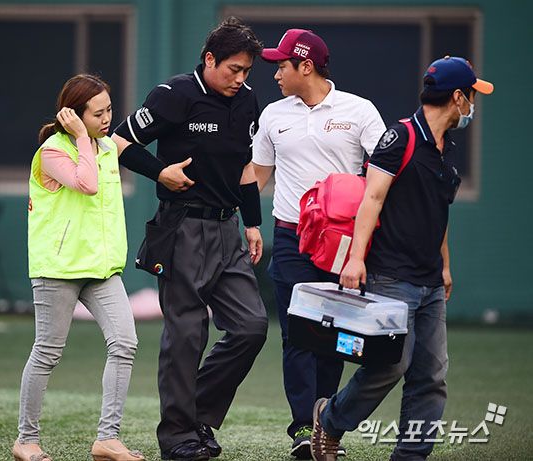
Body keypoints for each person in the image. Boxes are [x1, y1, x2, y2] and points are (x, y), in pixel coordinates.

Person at [309, 56, 494, 461]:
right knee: (390, 365)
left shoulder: (447, 149)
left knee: (431, 376)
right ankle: (331, 420)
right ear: (458, 97)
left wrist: (445, 266)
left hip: (430, 281)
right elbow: (372, 199)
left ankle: (411, 455)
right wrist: (355, 260)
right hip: (391, 276)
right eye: (471, 96)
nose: (473, 106)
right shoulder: (400, 137)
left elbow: (438, 213)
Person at [112, 17, 268, 461]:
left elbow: (245, 167)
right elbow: (119, 142)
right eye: (233, 69)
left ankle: (195, 413)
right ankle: (178, 437)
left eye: (246, 71)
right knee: (187, 334)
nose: (240, 79)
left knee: (251, 326)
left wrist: (253, 223)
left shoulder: (247, 100)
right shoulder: (174, 95)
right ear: (210, 59)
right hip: (182, 227)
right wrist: (159, 172)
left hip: (228, 229)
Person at [252, 29, 386, 459]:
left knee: (334, 334)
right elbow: (257, 175)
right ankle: (302, 430)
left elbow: (385, 172)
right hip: (290, 235)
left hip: (342, 240)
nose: (275, 74)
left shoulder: (360, 110)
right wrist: (229, 209)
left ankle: (326, 426)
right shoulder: (273, 114)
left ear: (305, 66)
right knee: (297, 334)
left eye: (282, 65)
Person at [14, 75, 143, 461]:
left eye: (109, 110)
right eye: (97, 113)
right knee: (47, 352)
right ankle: (25, 440)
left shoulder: (106, 147)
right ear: (73, 115)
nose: (107, 118)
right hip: (58, 268)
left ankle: (107, 439)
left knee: (125, 343)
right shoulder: (52, 152)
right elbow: (86, 184)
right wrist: (83, 140)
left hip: (101, 268)